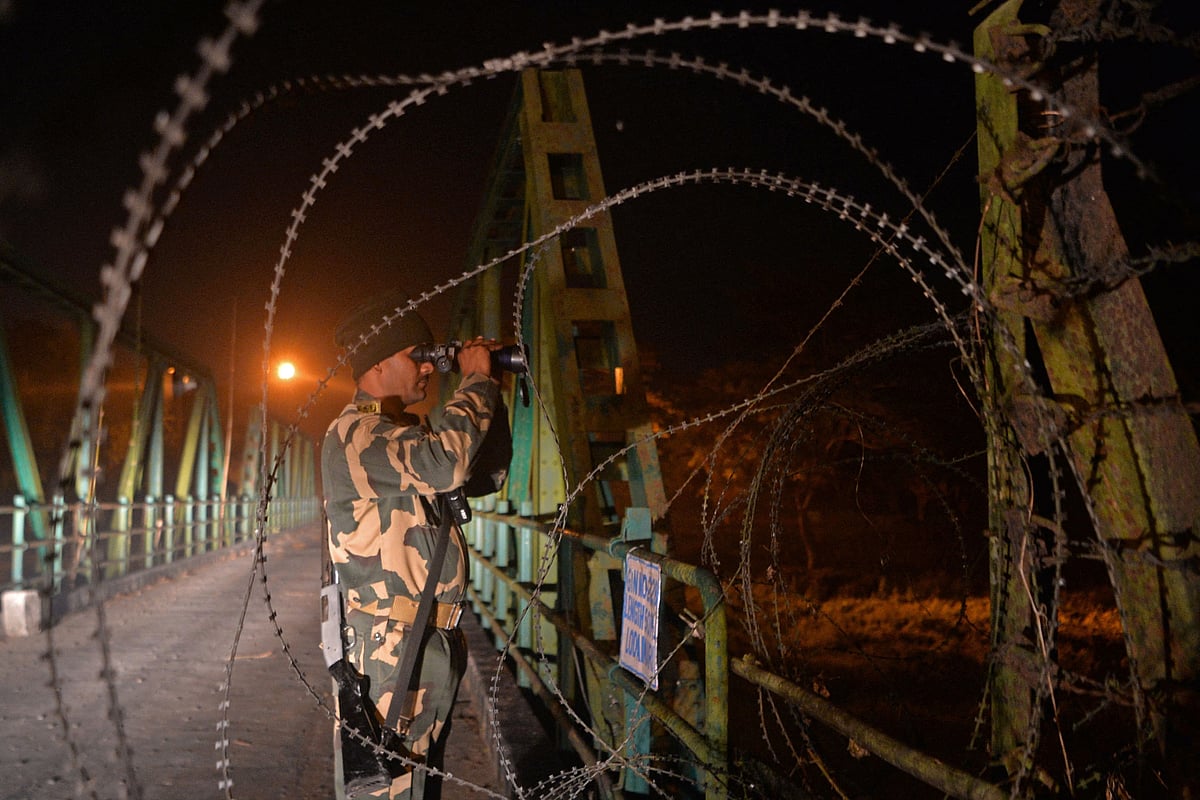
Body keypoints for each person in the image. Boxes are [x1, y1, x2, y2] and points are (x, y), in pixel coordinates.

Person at [321, 291, 506, 800]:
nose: (429, 370)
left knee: (418, 790)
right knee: (391, 791)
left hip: (430, 641)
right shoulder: (356, 437)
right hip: (389, 648)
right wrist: (476, 382)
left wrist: (493, 389)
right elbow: (447, 462)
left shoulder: (404, 434)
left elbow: (484, 474)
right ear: (377, 363)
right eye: (416, 357)